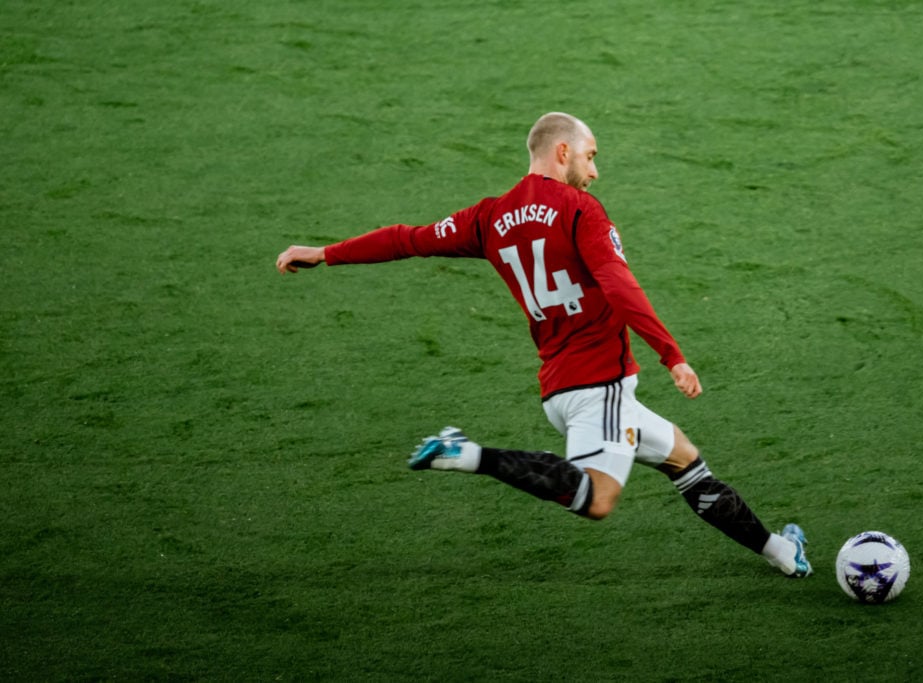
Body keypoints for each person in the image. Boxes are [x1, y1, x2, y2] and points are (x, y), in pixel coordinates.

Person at [276, 112, 811, 577]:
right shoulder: (581, 210)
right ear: (562, 152)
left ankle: (782, 552)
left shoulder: (489, 217)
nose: (595, 171)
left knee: (684, 460)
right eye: (591, 156)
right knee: (599, 499)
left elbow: (406, 238)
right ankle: (465, 454)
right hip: (599, 385)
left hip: (565, 388)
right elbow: (619, 286)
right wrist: (672, 355)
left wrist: (325, 252)